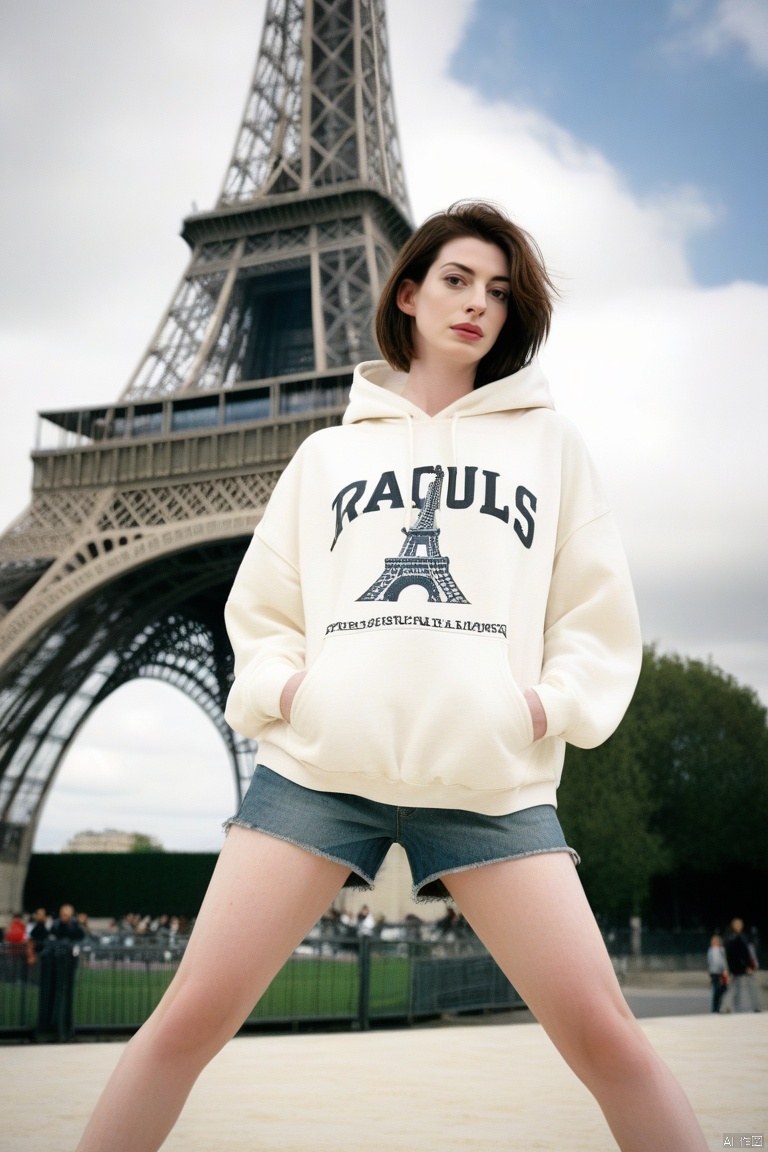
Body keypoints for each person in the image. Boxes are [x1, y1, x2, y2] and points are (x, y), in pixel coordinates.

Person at [75, 201, 708, 1151]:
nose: (476, 305)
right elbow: (266, 614)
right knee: (186, 1020)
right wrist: (296, 695)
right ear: (407, 292)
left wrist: (537, 708)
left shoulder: (551, 448)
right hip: (318, 775)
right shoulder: (328, 455)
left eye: (498, 293)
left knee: (607, 1040)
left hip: (489, 781)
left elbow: (592, 614)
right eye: (456, 280)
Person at [724, 917, 756, 1013]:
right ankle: (753, 1006)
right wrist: (747, 966)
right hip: (739, 967)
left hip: (738, 966)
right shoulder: (736, 938)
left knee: (735, 988)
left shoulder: (734, 938)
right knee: (744, 987)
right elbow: (740, 954)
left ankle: (729, 1006)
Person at [706, 933, 729, 1013]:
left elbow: (723, 961)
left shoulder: (721, 950)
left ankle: (718, 1006)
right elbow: (712, 962)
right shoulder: (712, 951)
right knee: (716, 990)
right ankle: (715, 1007)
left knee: (722, 989)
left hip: (720, 972)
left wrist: (725, 970)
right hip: (715, 972)